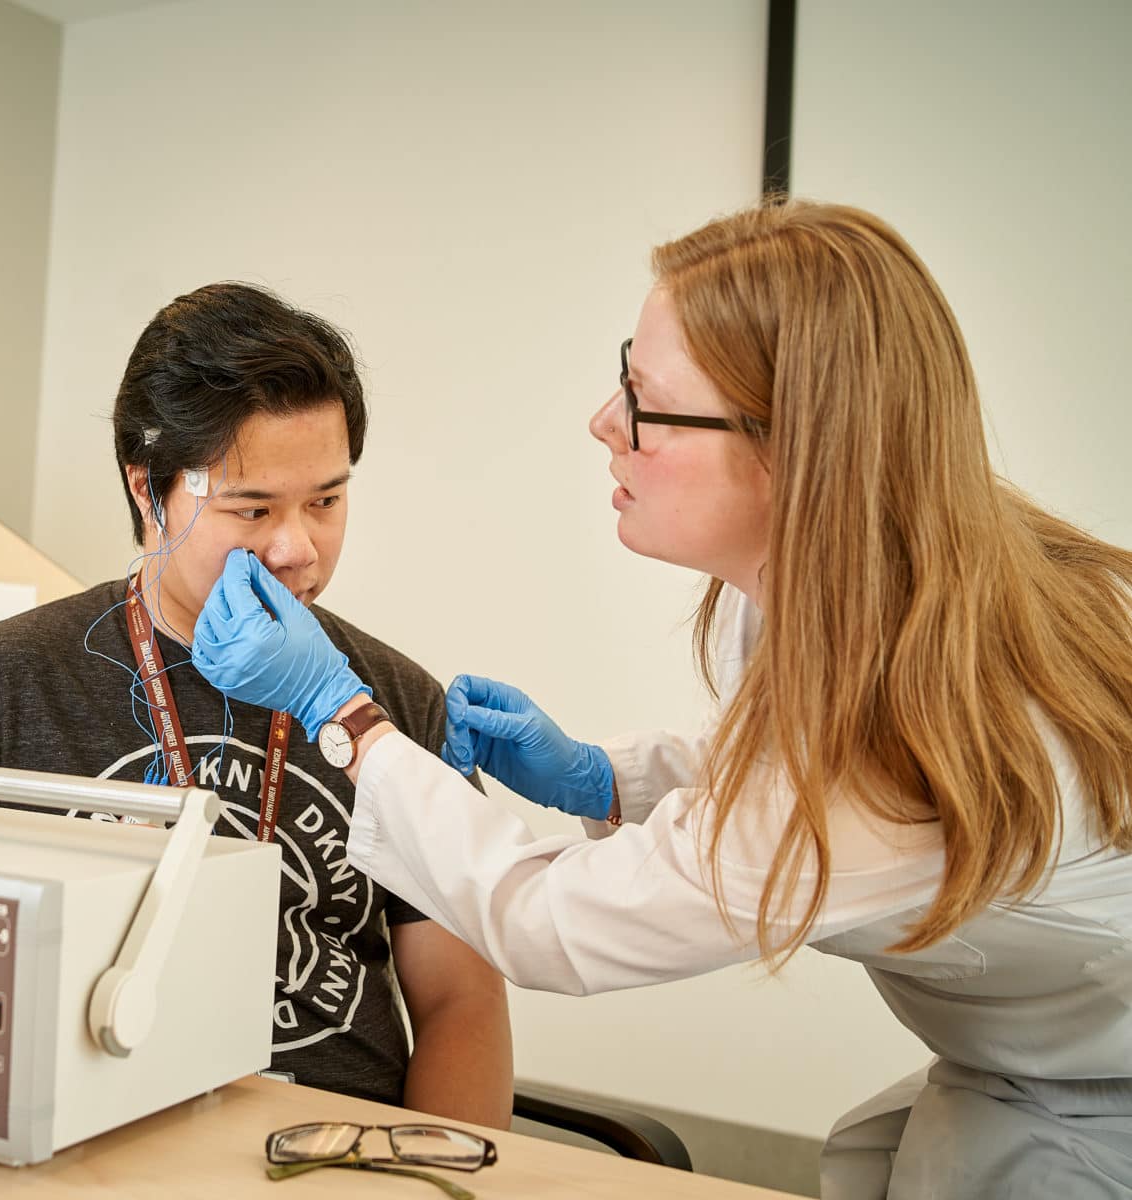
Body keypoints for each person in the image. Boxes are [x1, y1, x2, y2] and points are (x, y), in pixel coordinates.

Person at [190, 202, 1132, 1197]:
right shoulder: (834, 582)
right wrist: (607, 778)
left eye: (645, 398)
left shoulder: (914, 731)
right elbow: (772, 776)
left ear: (790, 450)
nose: (604, 421)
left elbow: (552, 924)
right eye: (622, 372)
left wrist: (343, 711)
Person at [0, 282, 512, 1126]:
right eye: (251, 508)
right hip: (80, 1139)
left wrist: (428, 1170)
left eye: (326, 501)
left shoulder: (394, 701)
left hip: (340, 1152)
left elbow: (461, 1002)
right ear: (149, 490)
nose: (297, 548)